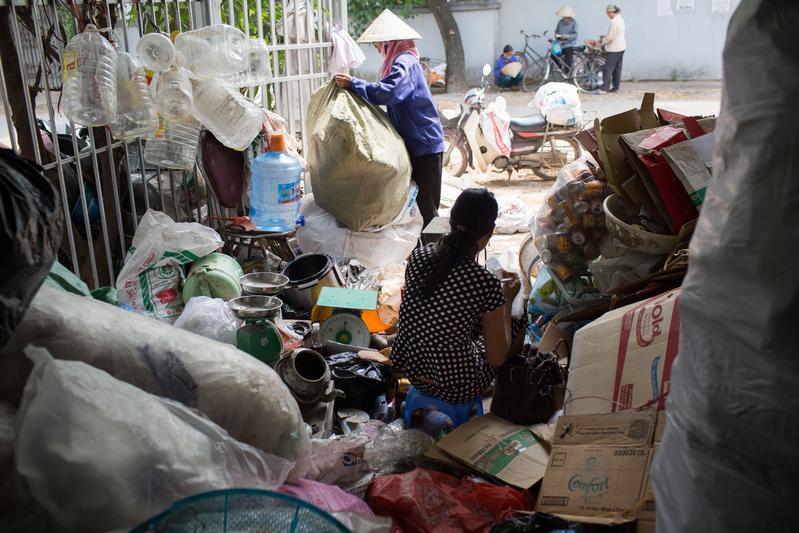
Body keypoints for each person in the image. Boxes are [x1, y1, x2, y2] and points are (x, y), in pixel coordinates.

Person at [391, 189, 523, 404]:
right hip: (457, 387)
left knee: (465, 318)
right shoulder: (484, 282)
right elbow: (496, 358)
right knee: (517, 319)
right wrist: (507, 301)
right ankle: (509, 387)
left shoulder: (418, 255)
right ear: (489, 233)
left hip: (413, 373)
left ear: (450, 221)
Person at [334, 9, 444, 227]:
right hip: (418, 142)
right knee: (419, 204)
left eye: (378, 46)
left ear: (389, 43)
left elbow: (389, 92)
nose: (377, 50)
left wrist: (354, 84)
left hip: (424, 143)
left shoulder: (404, 62)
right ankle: (427, 252)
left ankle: (435, 255)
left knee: (427, 207)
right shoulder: (402, 61)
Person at [600, 4, 626, 93]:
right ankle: (616, 87)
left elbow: (611, 37)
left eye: (608, 13)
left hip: (614, 48)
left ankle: (604, 88)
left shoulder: (614, 22)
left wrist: (602, 41)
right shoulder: (620, 19)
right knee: (617, 68)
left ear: (611, 12)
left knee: (608, 68)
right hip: (621, 47)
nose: (607, 15)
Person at [554, 6, 579, 71]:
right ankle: (560, 68)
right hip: (560, 45)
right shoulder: (560, 22)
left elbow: (576, 35)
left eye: (566, 16)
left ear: (569, 16)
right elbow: (556, 32)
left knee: (568, 62)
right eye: (563, 16)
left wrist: (568, 36)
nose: (564, 18)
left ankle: (568, 75)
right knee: (553, 55)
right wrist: (557, 36)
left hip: (569, 45)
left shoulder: (574, 22)